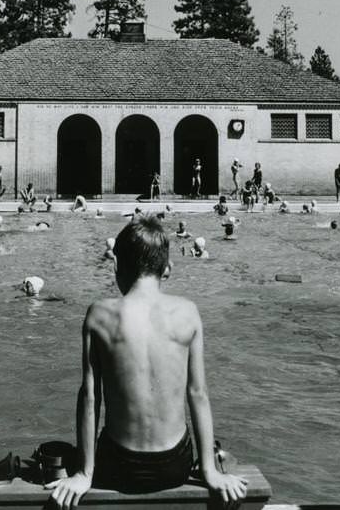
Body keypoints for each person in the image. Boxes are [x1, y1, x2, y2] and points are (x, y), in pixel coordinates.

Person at [47, 217, 246, 507]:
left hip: (119, 465)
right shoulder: (188, 312)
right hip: (174, 466)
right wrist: (210, 470)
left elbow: (90, 397)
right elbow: (198, 394)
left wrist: (84, 473)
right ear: (167, 269)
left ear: (116, 265)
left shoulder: (99, 314)